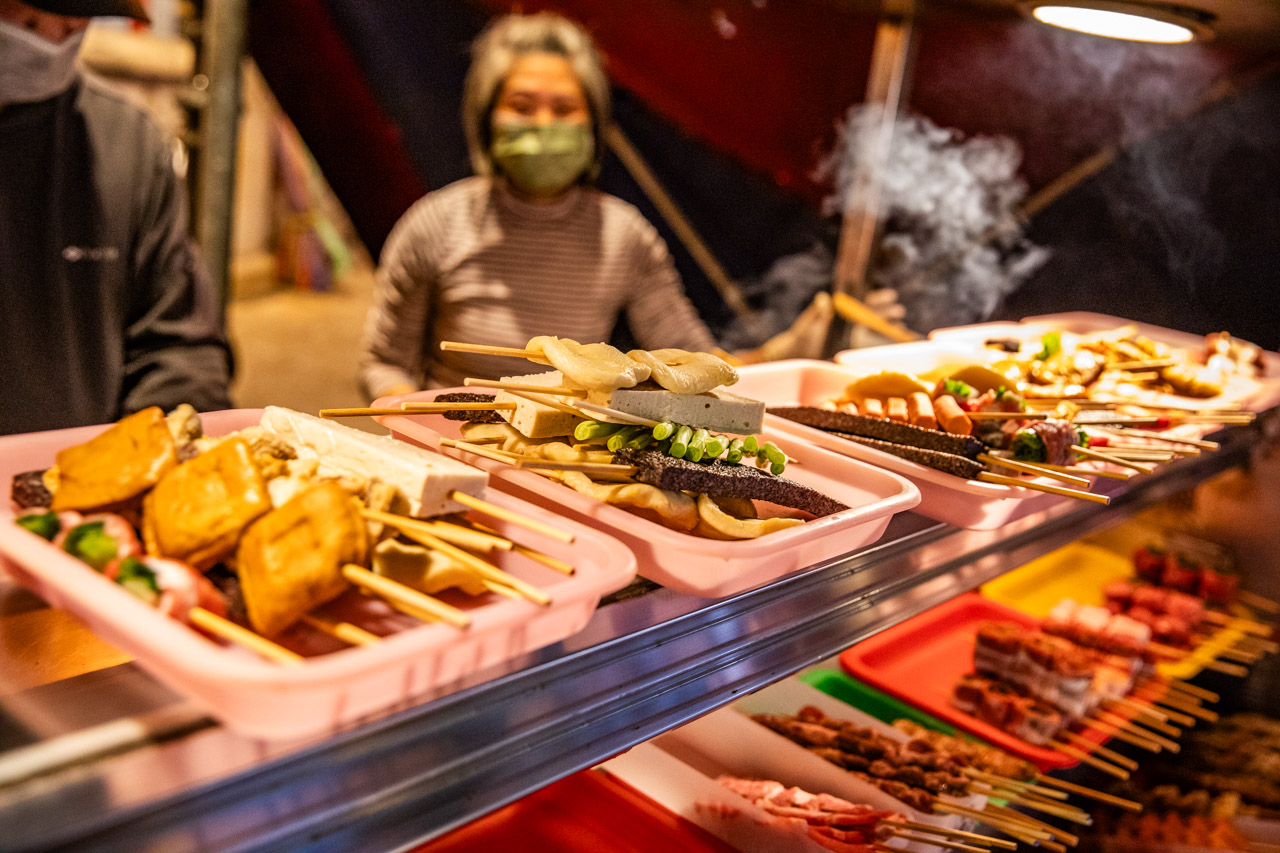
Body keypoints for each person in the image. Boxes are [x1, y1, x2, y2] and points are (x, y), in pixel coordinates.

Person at [359, 12, 832, 399]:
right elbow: (385, 363)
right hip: (450, 449)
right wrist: (415, 419)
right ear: (486, 120)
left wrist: (780, 356)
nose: (544, 124)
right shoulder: (433, 225)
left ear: (592, 126)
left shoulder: (624, 236)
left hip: (566, 456)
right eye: (522, 106)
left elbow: (694, 364)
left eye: (564, 109)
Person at [0, 0, 233, 436]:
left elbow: (179, 351)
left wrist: (149, 474)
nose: (61, 29)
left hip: (73, 494)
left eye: (82, 9)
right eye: (30, 13)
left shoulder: (128, 146)